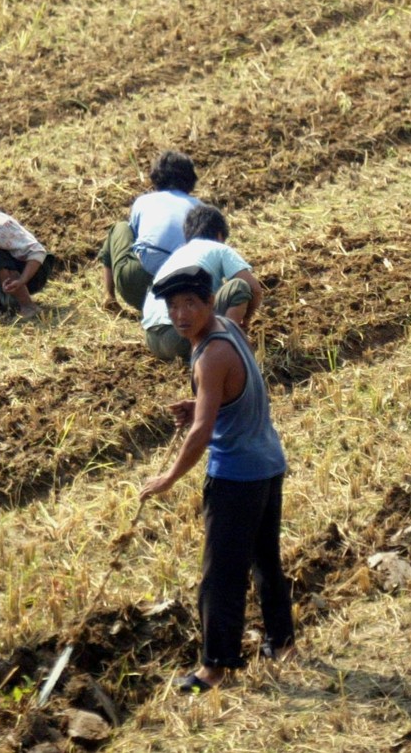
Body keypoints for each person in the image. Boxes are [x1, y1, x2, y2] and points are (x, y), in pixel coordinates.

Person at [138, 266, 293, 694]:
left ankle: (215, 667)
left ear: (208, 301)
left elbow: (202, 433)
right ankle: (283, 643)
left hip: (237, 476)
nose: (181, 314)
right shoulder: (226, 327)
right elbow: (238, 389)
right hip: (268, 462)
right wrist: (205, 402)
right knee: (265, 560)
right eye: (172, 306)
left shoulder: (210, 355)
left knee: (220, 574)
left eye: (190, 303)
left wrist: (168, 477)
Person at [142, 205, 263, 362]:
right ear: (220, 236)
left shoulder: (177, 255)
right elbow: (255, 289)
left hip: (153, 340)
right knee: (239, 287)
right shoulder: (219, 248)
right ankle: (229, 348)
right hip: (180, 338)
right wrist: (246, 319)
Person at [98, 150, 202, 311]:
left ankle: (109, 296)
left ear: (156, 177)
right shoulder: (200, 208)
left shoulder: (144, 201)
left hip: (137, 287)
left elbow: (135, 240)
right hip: (185, 295)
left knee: (120, 227)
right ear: (190, 179)